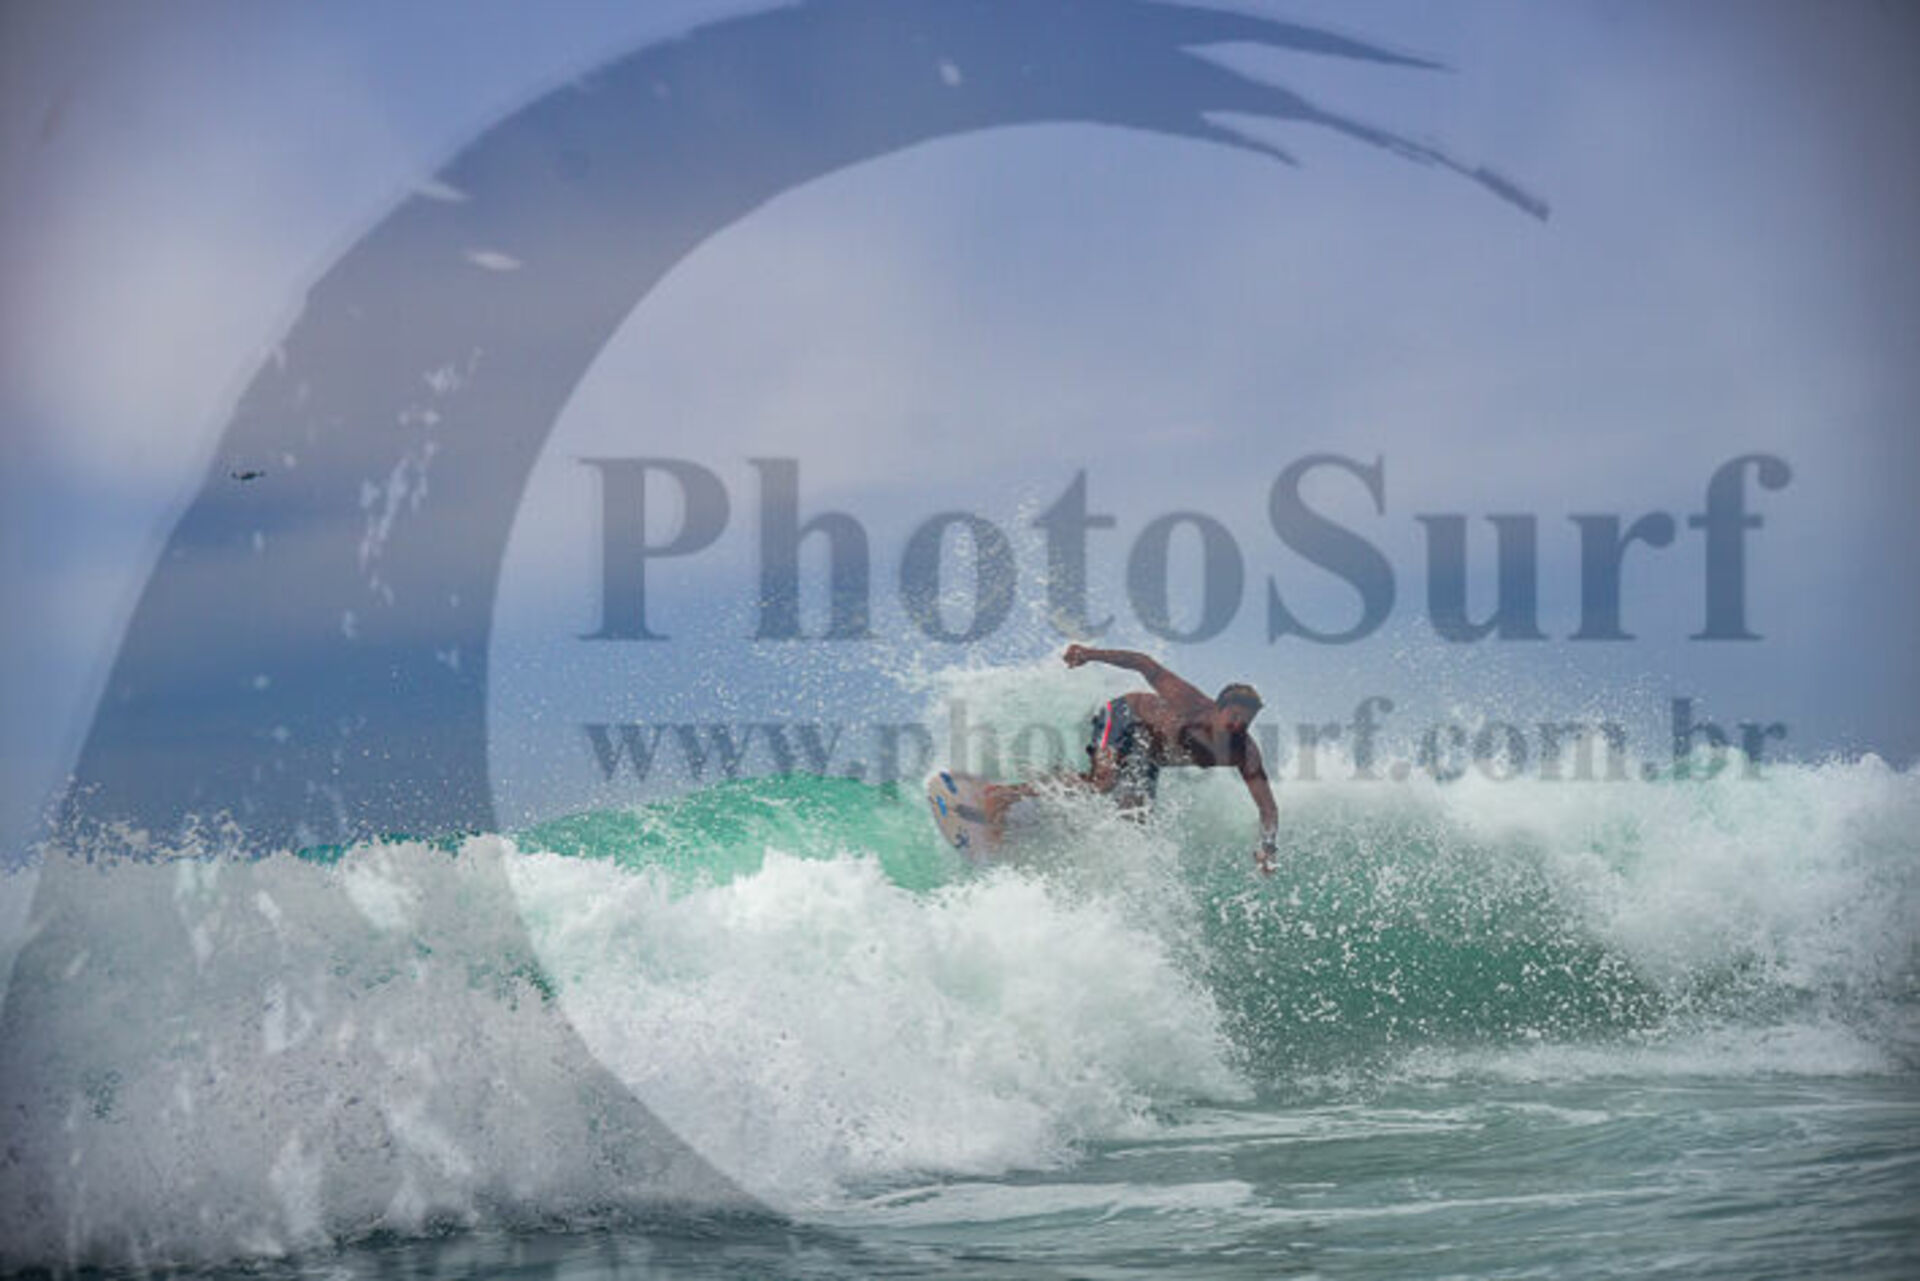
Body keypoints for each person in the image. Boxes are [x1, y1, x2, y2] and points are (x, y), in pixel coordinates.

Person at [985, 645, 1280, 874]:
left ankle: (1035, 828)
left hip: (1147, 755)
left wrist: (1268, 847)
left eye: (1246, 721)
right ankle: (1002, 795)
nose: (1238, 725)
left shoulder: (1243, 752)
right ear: (1218, 708)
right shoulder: (1192, 704)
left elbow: (1267, 807)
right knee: (1103, 781)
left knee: (1135, 822)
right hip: (1126, 717)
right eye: (1234, 716)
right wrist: (1089, 654)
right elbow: (1144, 663)